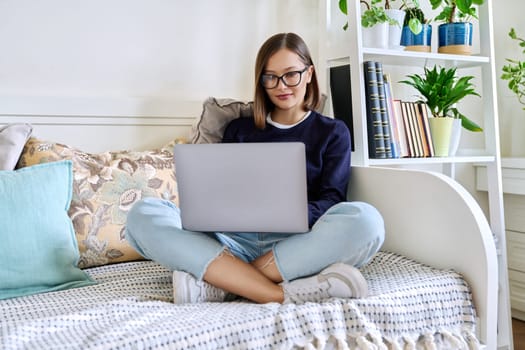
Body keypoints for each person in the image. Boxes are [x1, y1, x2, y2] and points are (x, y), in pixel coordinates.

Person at [125, 32, 385, 304]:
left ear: (309, 74)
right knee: (143, 214)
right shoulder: (239, 129)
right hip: (229, 243)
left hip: (295, 245)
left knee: (367, 222)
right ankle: (277, 292)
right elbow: (219, 192)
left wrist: (287, 213)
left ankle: (225, 283)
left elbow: (332, 199)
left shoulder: (332, 132)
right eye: (270, 77)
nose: (281, 86)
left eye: (291, 74)